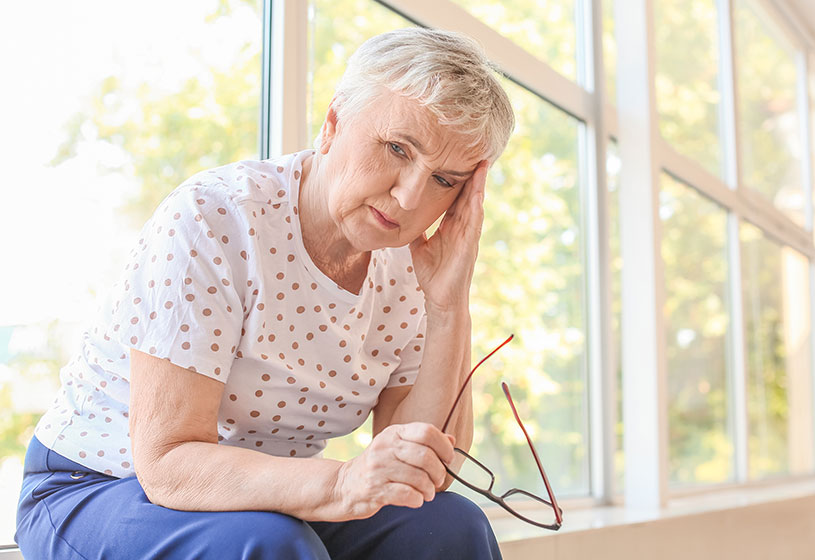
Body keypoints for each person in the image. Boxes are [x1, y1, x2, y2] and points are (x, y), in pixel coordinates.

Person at [16, 26, 514, 559]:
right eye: (397, 148)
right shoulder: (215, 217)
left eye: (445, 181)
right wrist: (341, 484)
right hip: (103, 483)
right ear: (333, 124)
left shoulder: (412, 268)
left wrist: (447, 304)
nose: (410, 194)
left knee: (450, 526)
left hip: (268, 500)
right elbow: (166, 464)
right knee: (270, 545)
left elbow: (421, 472)